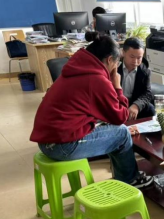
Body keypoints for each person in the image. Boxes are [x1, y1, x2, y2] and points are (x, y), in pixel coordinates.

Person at [30, 33, 153, 189]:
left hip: (47, 141)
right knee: (121, 134)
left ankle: (122, 176)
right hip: (61, 146)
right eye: (117, 62)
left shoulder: (75, 69)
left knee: (114, 130)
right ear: (110, 60)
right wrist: (117, 86)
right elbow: (121, 117)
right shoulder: (96, 79)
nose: (116, 67)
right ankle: (130, 179)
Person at [118, 38, 155, 120]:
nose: (135, 61)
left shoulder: (145, 71)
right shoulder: (114, 67)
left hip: (134, 103)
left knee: (150, 109)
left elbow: (147, 93)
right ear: (123, 53)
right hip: (117, 103)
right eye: (132, 57)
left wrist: (136, 106)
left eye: (139, 58)